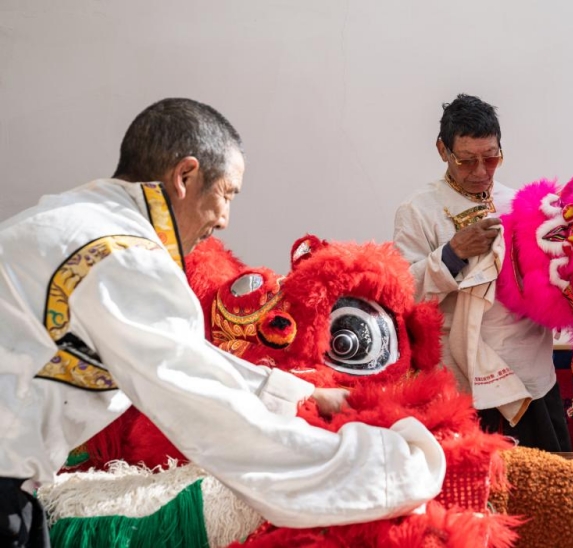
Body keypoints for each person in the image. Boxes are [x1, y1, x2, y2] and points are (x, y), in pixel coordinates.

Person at [0, 98, 445, 547]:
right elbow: (205, 408)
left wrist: (299, 393)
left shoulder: (67, 221)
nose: (225, 219)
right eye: (227, 193)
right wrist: (386, 471)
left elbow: (187, 358)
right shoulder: (119, 255)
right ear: (186, 176)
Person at [393, 93, 570, 452]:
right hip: (460, 383)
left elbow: (550, 279)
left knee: (545, 495)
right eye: (466, 160)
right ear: (442, 150)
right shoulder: (418, 210)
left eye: (491, 158)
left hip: (530, 377)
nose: (480, 172)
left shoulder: (522, 204)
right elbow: (402, 295)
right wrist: (453, 253)